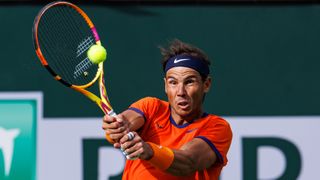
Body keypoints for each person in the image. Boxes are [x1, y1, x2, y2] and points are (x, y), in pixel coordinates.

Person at [102, 39, 232, 180]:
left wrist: (149, 150)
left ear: (206, 84)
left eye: (189, 82)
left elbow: (188, 162)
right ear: (165, 85)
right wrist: (117, 128)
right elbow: (127, 121)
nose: (180, 91)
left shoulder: (217, 127)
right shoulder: (151, 107)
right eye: (173, 82)